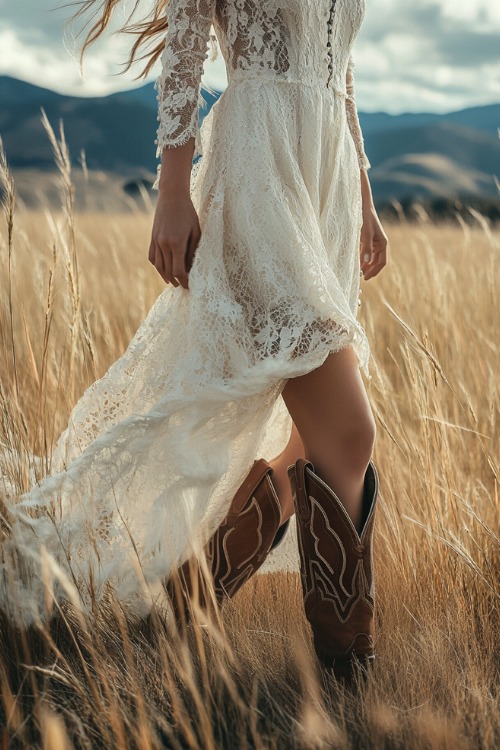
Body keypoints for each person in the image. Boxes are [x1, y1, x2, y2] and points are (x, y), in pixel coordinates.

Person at [0, 0, 388, 683]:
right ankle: (349, 665)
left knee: (314, 443)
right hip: (260, 169)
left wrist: (364, 193)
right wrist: (173, 190)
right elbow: (184, 40)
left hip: (324, 187)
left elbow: (342, 71)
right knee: (351, 434)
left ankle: (176, 618)